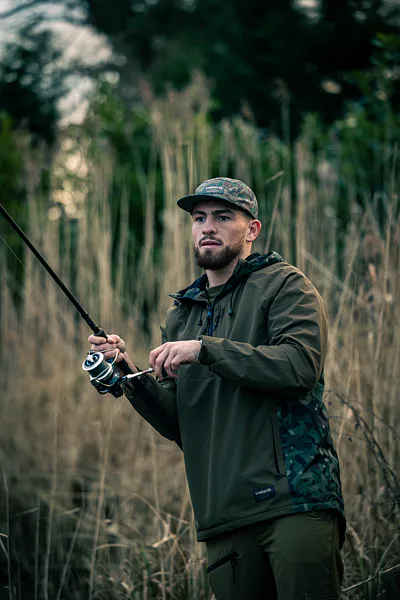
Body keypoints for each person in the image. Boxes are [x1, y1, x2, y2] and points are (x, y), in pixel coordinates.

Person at [89, 177, 346, 600]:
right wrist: (128, 371)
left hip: (294, 503)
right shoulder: (180, 317)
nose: (207, 226)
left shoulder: (285, 285)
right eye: (199, 218)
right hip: (223, 518)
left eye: (223, 217)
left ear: (252, 229)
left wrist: (205, 349)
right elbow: (179, 423)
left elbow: (299, 366)